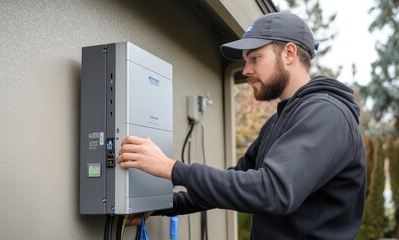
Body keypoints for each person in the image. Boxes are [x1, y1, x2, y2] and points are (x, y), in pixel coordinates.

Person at [117, 11, 366, 239]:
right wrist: (165, 205)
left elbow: (272, 191)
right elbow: (237, 181)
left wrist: (171, 168)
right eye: (246, 60)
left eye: (255, 58)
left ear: (289, 53)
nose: (246, 70)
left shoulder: (327, 114)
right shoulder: (279, 121)